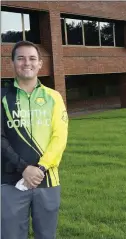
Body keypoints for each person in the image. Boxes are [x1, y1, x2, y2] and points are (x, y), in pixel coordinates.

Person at [1, 41, 68, 239]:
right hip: (10, 182)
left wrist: (40, 168)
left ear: (40, 64)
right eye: (20, 58)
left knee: (46, 236)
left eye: (32, 58)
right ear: (12, 63)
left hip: (47, 180)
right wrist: (24, 168)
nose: (26, 63)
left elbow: (60, 137)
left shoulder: (54, 97)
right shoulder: (2, 97)